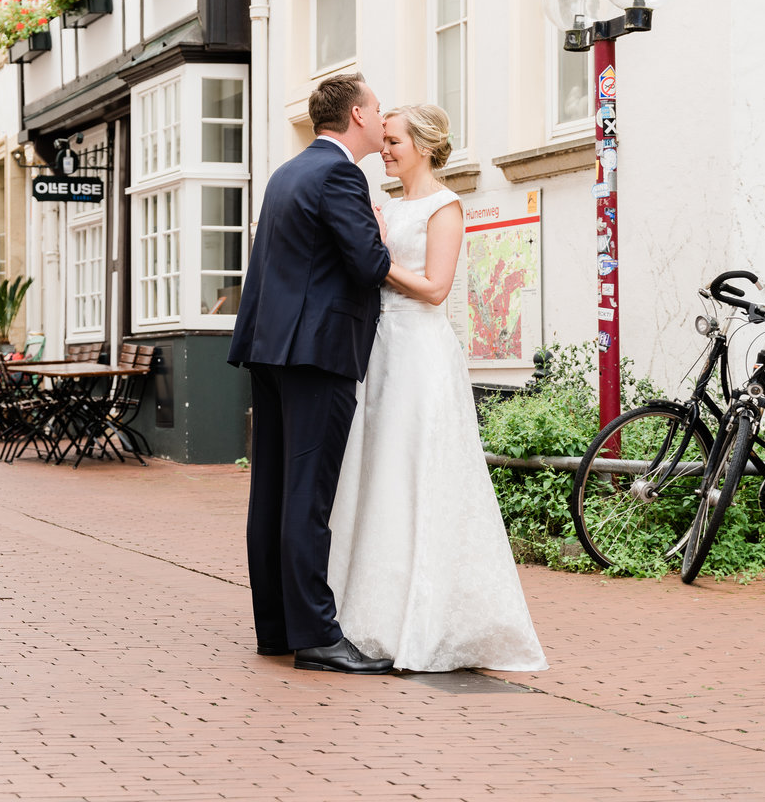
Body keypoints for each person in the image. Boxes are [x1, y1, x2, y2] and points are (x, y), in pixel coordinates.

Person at [328, 105, 547, 672]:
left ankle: (421, 619)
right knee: (380, 471)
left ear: (422, 145)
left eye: (395, 140)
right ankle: (364, 613)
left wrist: (377, 259)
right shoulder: (390, 204)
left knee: (417, 467)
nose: (385, 147)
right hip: (381, 348)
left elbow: (435, 289)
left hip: (421, 354)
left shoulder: (445, 208)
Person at [227, 73, 395, 675]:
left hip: (271, 349)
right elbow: (368, 263)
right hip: (317, 352)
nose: (383, 120)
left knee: (271, 493)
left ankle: (276, 628)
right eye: (378, 110)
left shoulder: (287, 172)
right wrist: (378, 229)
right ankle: (318, 636)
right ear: (355, 114)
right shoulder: (340, 174)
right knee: (307, 496)